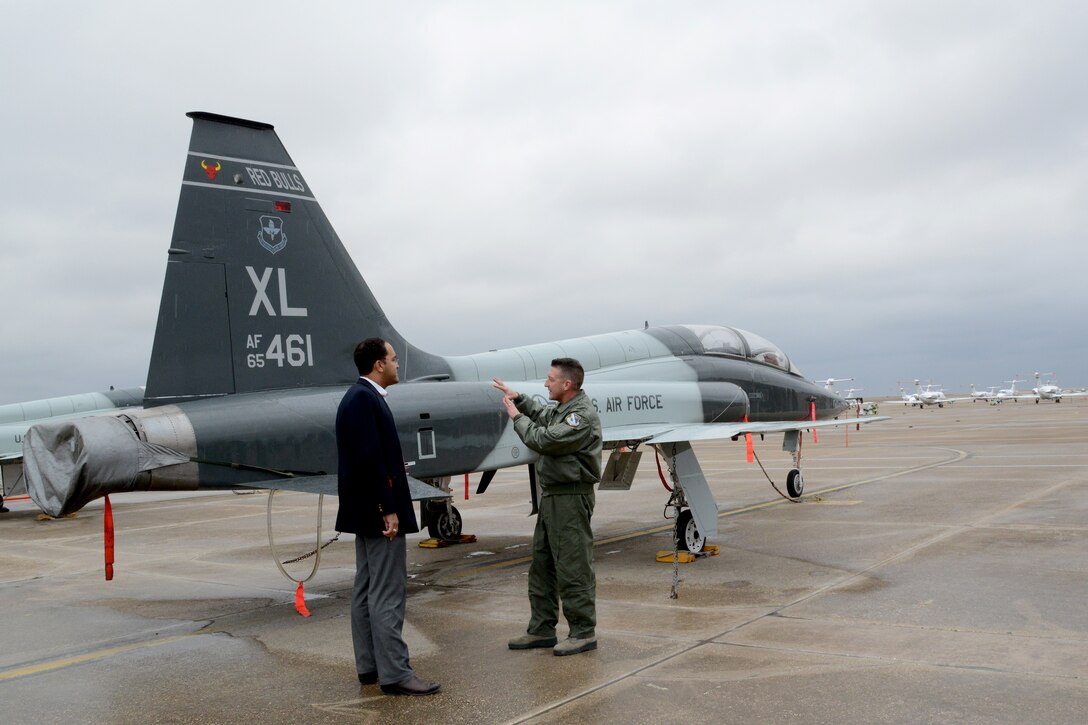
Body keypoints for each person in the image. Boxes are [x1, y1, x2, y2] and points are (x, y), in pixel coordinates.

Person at [335, 338, 440, 696]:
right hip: (378, 514)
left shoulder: (356, 398)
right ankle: (395, 672)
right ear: (378, 365)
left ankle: (370, 666)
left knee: (365, 589)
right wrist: (388, 508)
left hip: (364, 513)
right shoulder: (365, 400)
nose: (398, 365)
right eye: (393, 359)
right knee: (386, 593)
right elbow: (370, 461)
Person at [493, 357, 603, 656]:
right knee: (542, 566)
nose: (545, 383)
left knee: (572, 566)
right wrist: (522, 400)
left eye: (551, 380)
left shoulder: (580, 417)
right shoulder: (563, 410)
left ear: (567, 384)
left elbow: (542, 438)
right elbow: (543, 416)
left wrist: (516, 416)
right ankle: (542, 628)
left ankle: (583, 631)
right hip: (553, 497)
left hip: (570, 497)